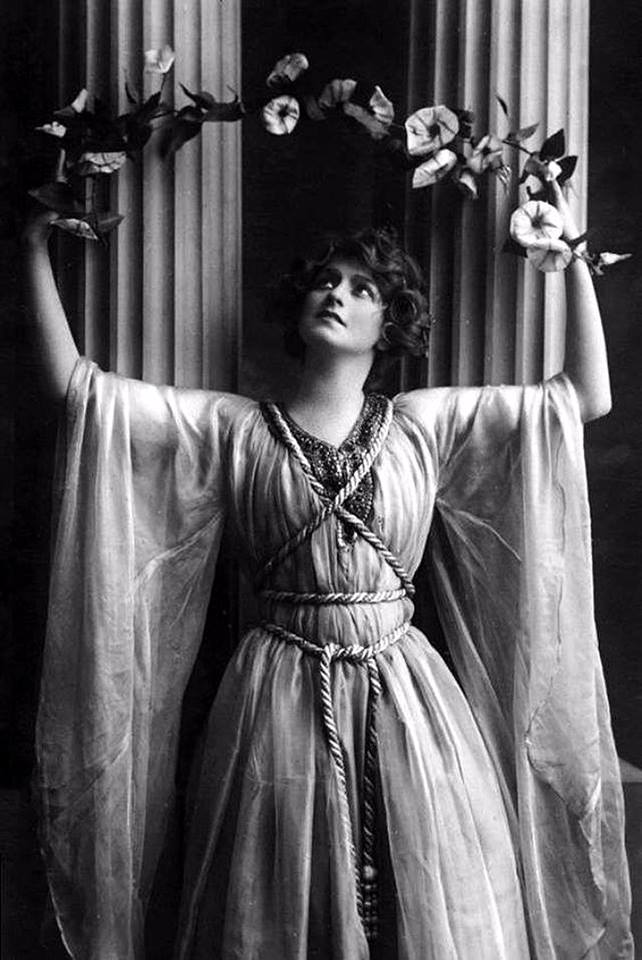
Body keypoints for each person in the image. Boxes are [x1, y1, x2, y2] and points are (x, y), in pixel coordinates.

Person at [22, 183, 633, 960]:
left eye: (363, 288)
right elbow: (76, 390)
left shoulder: (422, 424)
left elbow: (584, 396)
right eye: (325, 282)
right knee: (278, 905)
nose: (337, 294)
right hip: (277, 696)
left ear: (391, 322)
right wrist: (31, 247)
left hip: (408, 697)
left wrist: (572, 256)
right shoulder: (235, 429)